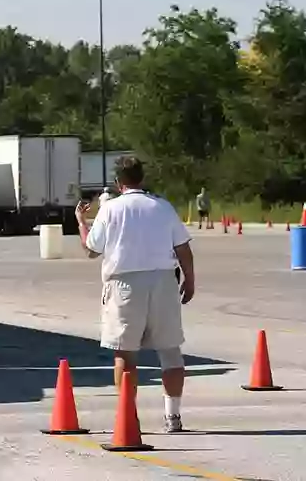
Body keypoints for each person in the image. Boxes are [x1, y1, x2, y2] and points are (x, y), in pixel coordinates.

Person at [74, 155, 195, 434]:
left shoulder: (111, 209)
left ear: (118, 183)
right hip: (163, 282)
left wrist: (82, 221)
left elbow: (91, 249)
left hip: (124, 285)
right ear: (142, 178)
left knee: (125, 355)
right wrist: (189, 280)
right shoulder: (163, 207)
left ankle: (130, 415)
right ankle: (173, 417)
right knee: (171, 351)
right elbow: (183, 249)